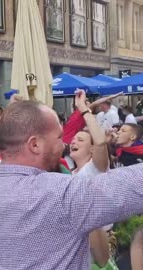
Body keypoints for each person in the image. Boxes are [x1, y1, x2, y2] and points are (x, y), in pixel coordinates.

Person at [0, 100, 143, 270]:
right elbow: (133, 185)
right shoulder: (61, 194)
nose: (63, 145)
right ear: (34, 145)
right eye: (59, 138)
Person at [69, 90, 112, 268]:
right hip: (78, 245)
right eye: (73, 139)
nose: (73, 142)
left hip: (100, 244)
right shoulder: (68, 172)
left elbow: (100, 142)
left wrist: (85, 109)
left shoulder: (96, 168)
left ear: (92, 150)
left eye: (80, 140)